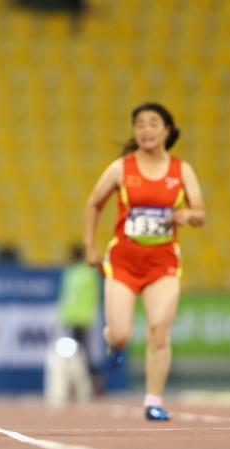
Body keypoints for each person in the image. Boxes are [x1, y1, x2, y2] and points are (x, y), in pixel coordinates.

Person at [83, 103, 205, 421]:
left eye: (153, 124)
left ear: (167, 130)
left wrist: (186, 215)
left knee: (158, 330)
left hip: (162, 264)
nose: (146, 130)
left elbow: (200, 214)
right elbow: (94, 203)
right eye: (139, 124)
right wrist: (91, 246)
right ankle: (113, 340)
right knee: (122, 334)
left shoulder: (182, 170)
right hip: (123, 262)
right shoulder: (122, 168)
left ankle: (153, 401)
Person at [55, 243, 101, 391]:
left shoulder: (74, 273)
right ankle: (80, 382)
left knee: (80, 353)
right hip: (81, 317)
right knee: (81, 352)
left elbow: (67, 296)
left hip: (76, 318)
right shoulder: (87, 273)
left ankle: (84, 383)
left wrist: (62, 315)